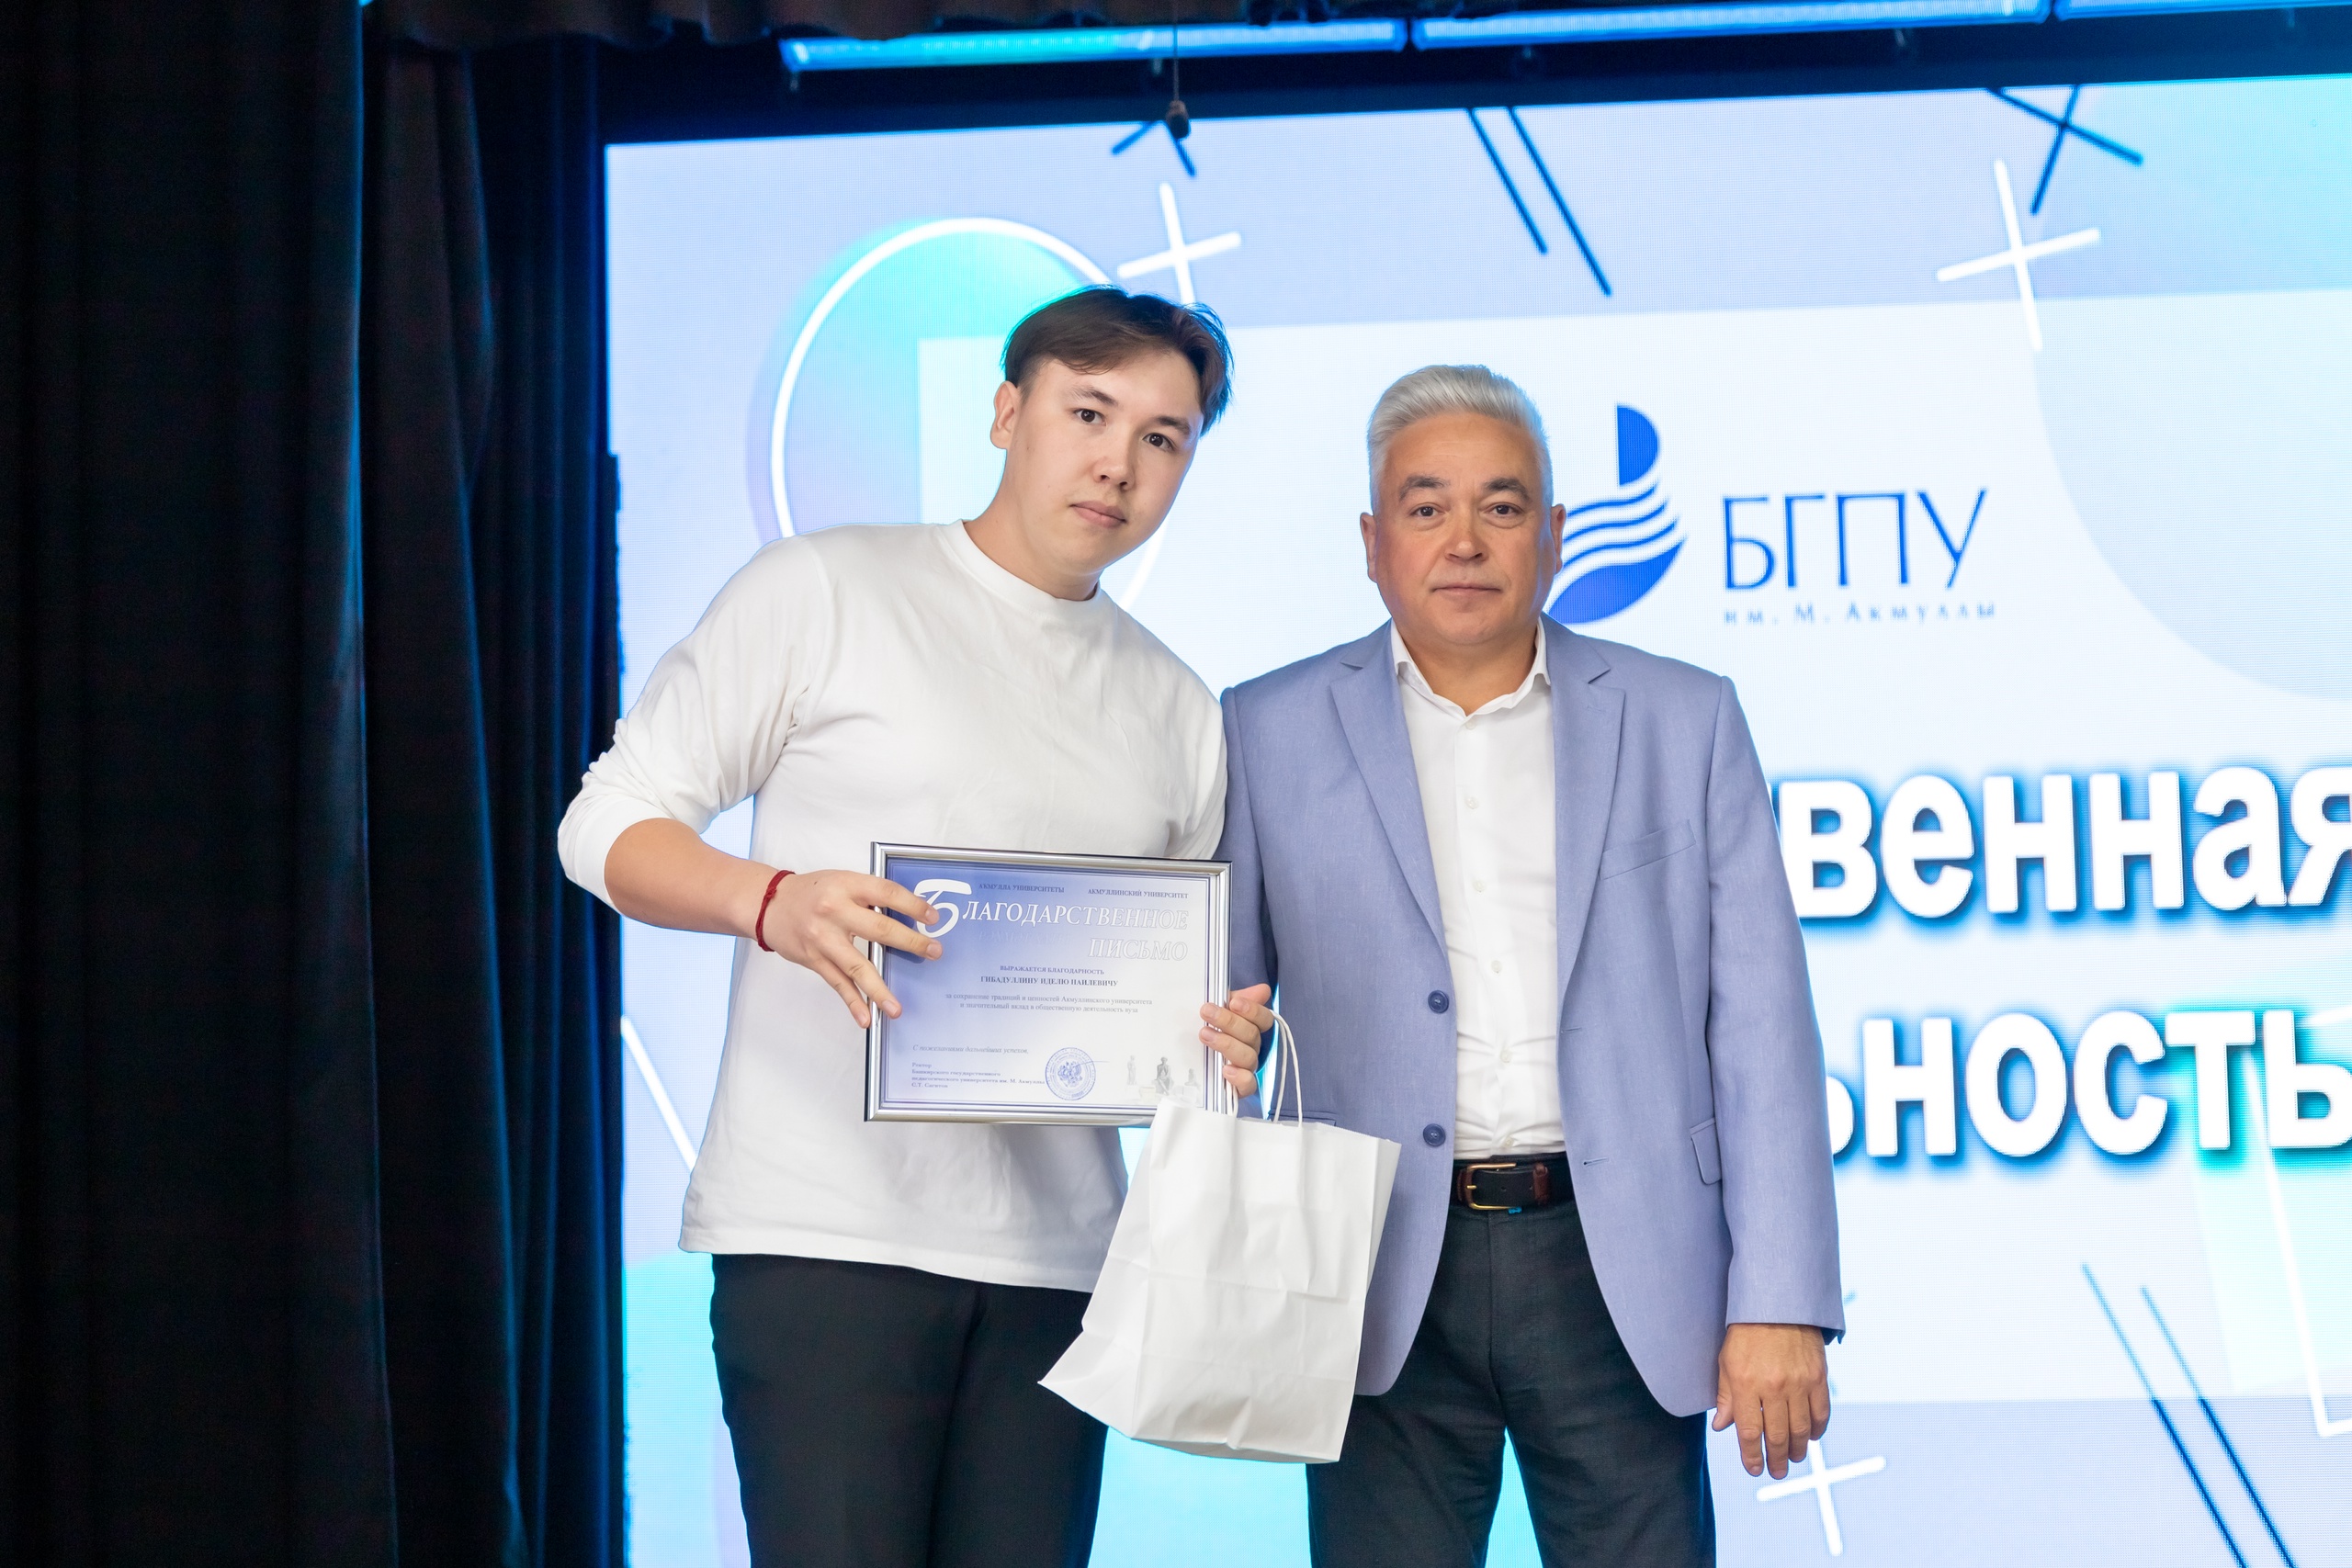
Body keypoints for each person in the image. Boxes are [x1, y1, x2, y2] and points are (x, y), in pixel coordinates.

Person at [558, 288, 1272, 1568]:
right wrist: (772, 901)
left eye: (1162, 438)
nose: (1119, 462)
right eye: (1089, 413)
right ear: (1007, 412)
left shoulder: (1179, 706)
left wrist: (1221, 1036)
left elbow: (1182, 987)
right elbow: (605, 826)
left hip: (1060, 1271)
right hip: (824, 1238)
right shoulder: (827, 589)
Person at [1217, 366, 1842, 1566]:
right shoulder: (1264, 727)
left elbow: (1762, 1028)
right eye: (1426, 507)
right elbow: (1220, 1022)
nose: (1464, 539)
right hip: (1369, 1271)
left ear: (1553, 536)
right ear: (1371, 543)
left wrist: (1779, 1296)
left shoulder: (1685, 718)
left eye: (1501, 507)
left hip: (1619, 1263)